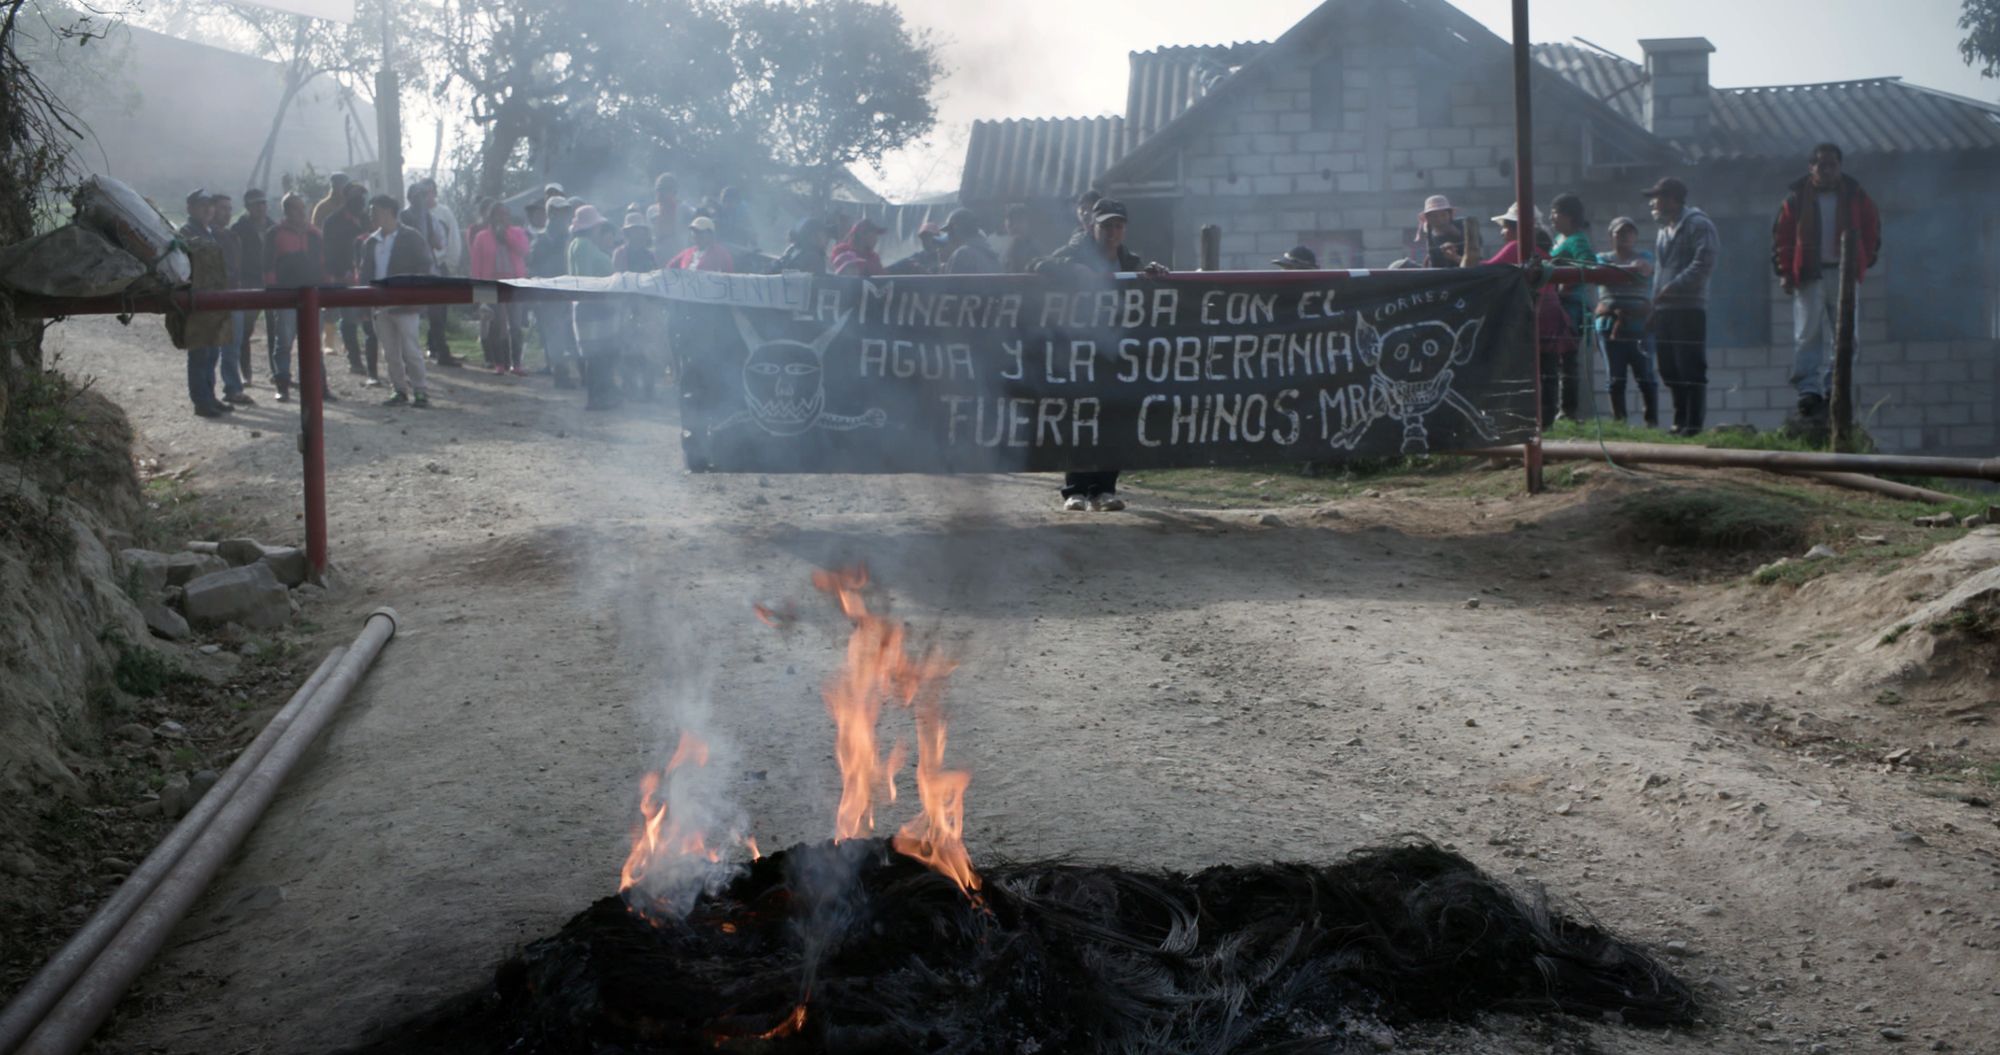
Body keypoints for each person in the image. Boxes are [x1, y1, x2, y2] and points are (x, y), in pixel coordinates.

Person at [1031, 198, 1169, 512]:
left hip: (1116, 352)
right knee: (1080, 415)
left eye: (1118, 226)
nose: (1112, 231)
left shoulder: (1130, 261)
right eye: (1106, 225)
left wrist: (1154, 275)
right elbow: (1036, 265)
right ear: (1092, 227)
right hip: (1077, 350)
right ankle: (1076, 490)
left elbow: (1146, 297)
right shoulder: (1073, 253)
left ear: (1125, 229)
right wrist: (1072, 269)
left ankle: (1105, 489)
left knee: (1115, 417)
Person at [1772, 142, 1883, 428]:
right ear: (1812, 168)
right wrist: (1785, 271)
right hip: (1809, 273)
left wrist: (1863, 260)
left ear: (1840, 166)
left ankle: (1835, 387)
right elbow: (1782, 238)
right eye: (1822, 164)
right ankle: (1808, 391)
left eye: (1833, 164)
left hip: (1844, 274)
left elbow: (1872, 229)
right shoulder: (1797, 198)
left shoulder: (1855, 195)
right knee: (1807, 334)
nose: (1828, 169)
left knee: (1847, 335)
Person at [1485, 204, 1573, 428]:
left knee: (1526, 368)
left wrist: (1460, 260)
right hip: (1550, 313)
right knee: (1548, 370)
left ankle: (1525, 419)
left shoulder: (1517, 247)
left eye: (1505, 227)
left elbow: (1488, 270)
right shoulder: (1541, 248)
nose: (1502, 232)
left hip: (1533, 314)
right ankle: (1547, 420)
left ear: (1517, 229)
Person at [1644, 176, 1720, 436]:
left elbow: (1704, 262)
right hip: (1665, 308)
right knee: (1668, 367)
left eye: (1657, 197)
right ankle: (1679, 419)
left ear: (1673, 199)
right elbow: (1659, 273)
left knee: (1690, 365)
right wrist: (1654, 305)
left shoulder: (1698, 224)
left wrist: (1675, 286)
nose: (1653, 203)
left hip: (1688, 307)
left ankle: (1693, 423)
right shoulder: (1664, 230)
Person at [358, 194, 436, 407]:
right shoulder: (371, 242)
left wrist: (416, 294)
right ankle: (399, 389)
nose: (372, 215)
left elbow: (425, 266)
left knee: (411, 350)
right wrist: (364, 303)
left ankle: (420, 391)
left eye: (375, 210)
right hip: (380, 304)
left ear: (388, 211)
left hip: (406, 303)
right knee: (390, 352)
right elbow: (365, 273)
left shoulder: (411, 237)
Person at [177, 190, 241, 417]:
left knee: (212, 352)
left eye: (209, 206)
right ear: (190, 208)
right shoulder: (186, 233)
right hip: (198, 300)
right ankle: (201, 402)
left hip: (215, 299)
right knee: (200, 354)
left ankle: (210, 396)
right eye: (202, 205)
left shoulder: (211, 232)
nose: (208, 210)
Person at [1594, 216, 1659, 428]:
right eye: (1620, 233)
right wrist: (1631, 271)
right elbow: (1606, 275)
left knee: (1646, 377)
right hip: (1609, 327)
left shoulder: (1645, 257)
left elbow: (1646, 271)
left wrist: (1636, 270)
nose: (1625, 236)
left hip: (1640, 327)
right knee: (1615, 378)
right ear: (1611, 236)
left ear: (1636, 237)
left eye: (1630, 232)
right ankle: (1619, 423)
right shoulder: (1602, 259)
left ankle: (1652, 423)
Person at [567, 204, 624, 410]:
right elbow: (587, 279)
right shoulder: (583, 245)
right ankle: (597, 397)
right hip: (594, 307)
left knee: (599, 354)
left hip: (592, 306)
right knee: (598, 354)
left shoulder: (580, 244)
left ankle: (600, 395)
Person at [402, 179, 463, 368]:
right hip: (409, 271)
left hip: (430, 269)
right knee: (407, 316)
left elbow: (439, 243)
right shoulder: (403, 217)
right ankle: (408, 355)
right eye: (417, 196)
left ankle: (441, 351)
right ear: (410, 198)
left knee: (437, 314)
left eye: (423, 195)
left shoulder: (430, 217)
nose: (420, 199)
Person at [323, 182, 378, 384]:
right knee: (348, 320)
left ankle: (371, 363)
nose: (361, 202)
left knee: (369, 320)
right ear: (347, 199)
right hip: (343, 276)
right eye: (357, 198)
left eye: (363, 198)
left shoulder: (366, 219)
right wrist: (340, 272)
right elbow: (328, 251)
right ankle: (354, 359)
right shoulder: (333, 221)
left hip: (365, 276)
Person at [1547, 193, 1595, 422]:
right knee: (1558, 358)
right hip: (1557, 305)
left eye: (1555, 213)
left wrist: (1568, 283)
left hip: (1572, 305)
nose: (1551, 218)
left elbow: (1589, 264)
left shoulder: (1577, 240)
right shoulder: (1559, 238)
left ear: (1567, 216)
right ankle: (1560, 408)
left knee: (1568, 357)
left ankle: (1568, 410)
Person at [470, 199, 532, 376]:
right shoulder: (481, 237)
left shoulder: (517, 233)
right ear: (491, 217)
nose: (502, 218)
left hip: (515, 284)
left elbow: (523, 250)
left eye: (505, 215)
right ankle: (499, 363)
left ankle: (517, 363)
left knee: (515, 324)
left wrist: (505, 235)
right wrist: (478, 293)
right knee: (497, 325)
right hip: (491, 285)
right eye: (498, 215)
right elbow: (476, 266)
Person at [530, 196, 581, 389]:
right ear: (551, 213)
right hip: (549, 294)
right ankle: (561, 374)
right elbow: (534, 268)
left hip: (569, 291)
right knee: (555, 336)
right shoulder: (541, 239)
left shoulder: (569, 238)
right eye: (559, 211)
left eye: (565, 211)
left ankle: (581, 373)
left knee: (571, 334)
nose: (563, 215)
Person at [207, 191, 253, 389]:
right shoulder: (206, 235)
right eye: (222, 208)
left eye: (229, 209)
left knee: (233, 345)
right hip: (213, 295)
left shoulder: (232, 236)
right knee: (210, 349)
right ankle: (208, 393)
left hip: (234, 293)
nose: (226, 213)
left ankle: (233, 387)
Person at [231, 188, 276, 381]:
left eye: (263, 203)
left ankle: (277, 373)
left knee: (275, 330)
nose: (261, 207)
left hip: (272, 282)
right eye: (256, 204)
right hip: (249, 282)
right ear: (248, 207)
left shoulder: (274, 227)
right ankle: (245, 372)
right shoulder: (238, 229)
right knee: (245, 331)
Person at [647, 172, 695, 260]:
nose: (662, 193)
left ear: (674, 191)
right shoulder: (651, 211)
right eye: (660, 189)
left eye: (666, 189)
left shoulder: (684, 209)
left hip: (679, 255)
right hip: (658, 256)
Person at [1410, 194, 1465, 268]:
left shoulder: (1463, 226)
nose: (1439, 219)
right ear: (1428, 219)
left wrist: (1455, 257)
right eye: (1434, 216)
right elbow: (1434, 263)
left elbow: (1474, 264)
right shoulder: (1430, 232)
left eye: (1443, 215)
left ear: (1450, 215)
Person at [666, 215, 735, 272]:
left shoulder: (721, 254)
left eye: (700, 232)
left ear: (710, 234)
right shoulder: (687, 252)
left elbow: (728, 277)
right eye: (694, 231)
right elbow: (669, 268)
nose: (696, 235)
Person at [940, 209, 1000, 274]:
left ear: (956, 229)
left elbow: (951, 283)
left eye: (949, 231)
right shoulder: (989, 250)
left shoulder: (962, 254)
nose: (949, 236)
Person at [1000, 203, 1040, 274]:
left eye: (1019, 220)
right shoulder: (1000, 246)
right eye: (1011, 222)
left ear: (1029, 223)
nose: (1015, 226)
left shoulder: (1035, 248)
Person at [714, 184, 755, 249]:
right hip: (720, 247)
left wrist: (754, 245)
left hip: (738, 248)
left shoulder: (743, 214)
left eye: (730, 201)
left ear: (737, 202)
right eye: (725, 201)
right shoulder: (716, 212)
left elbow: (751, 233)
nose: (727, 204)